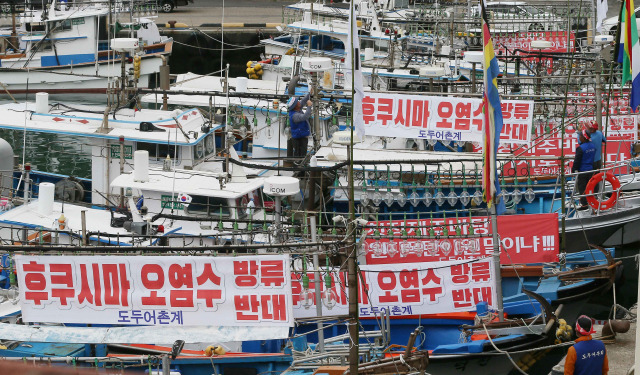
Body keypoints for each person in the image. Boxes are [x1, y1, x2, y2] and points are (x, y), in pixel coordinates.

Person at [572, 129, 596, 210]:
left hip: (582, 171)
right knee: (590, 187)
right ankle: (592, 202)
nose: (579, 137)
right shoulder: (593, 146)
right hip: (591, 170)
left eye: (580, 136)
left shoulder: (580, 148)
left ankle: (584, 205)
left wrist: (573, 169)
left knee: (582, 188)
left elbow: (577, 161)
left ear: (583, 137)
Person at [287, 91, 313, 159]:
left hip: (302, 135)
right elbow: (305, 116)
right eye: (297, 102)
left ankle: (300, 164)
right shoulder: (294, 115)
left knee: (302, 152)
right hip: (298, 138)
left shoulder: (297, 108)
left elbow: (304, 100)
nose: (299, 102)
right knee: (299, 154)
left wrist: (310, 93)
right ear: (295, 106)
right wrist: (309, 106)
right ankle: (298, 166)